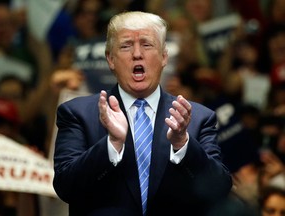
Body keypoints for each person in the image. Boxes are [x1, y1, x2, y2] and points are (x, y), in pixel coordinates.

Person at [53, 11, 232, 216]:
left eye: (147, 44)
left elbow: (219, 189)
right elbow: (65, 188)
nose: (137, 54)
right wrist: (111, 145)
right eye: (126, 45)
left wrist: (183, 144)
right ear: (110, 59)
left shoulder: (198, 118)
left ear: (164, 56)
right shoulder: (77, 113)